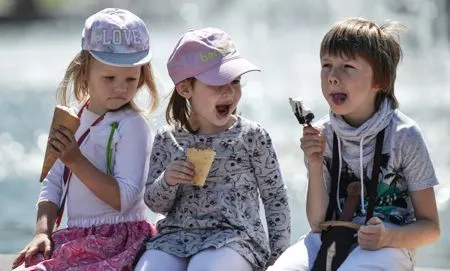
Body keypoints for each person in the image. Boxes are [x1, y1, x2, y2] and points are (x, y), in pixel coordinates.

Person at [270, 18, 440, 270]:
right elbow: (317, 224)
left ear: (379, 80)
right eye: (326, 65)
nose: (333, 77)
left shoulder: (404, 135)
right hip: (330, 236)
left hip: (388, 243)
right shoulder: (321, 133)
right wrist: (315, 163)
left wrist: (388, 236)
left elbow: (431, 227)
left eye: (347, 66)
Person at [12, 8, 159, 271]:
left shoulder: (133, 125)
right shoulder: (73, 118)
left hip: (119, 238)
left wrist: (75, 160)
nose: (121, 87)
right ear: (84, 71)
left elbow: (124, 198)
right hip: (79, 235)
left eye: (131, 78)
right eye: (109, 77)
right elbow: (53, 182)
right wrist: (42, 231)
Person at [135, 27, 291, 271]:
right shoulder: (168, 138)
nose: (229, 90)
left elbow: (275, 198)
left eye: (235, 81)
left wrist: (279, 256)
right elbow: (155, 204)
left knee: (204, 267)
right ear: (186, 89)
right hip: (175, 237)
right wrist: (168, 180)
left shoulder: (252, 136)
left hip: (236, 238)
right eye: (217, 82)